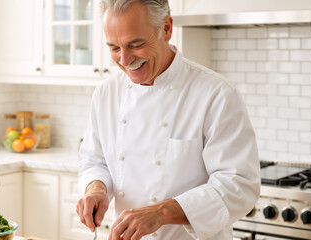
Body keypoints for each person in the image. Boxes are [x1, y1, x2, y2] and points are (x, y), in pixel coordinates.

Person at [76, 0, 261, 239]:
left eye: (136, 44)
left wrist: (162, 211)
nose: (124, 60)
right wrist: (96, 188)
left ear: (166, 28)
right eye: (113, 48)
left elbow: (240, 185)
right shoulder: (106, 94)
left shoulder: (215, 94)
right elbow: (94, 160)